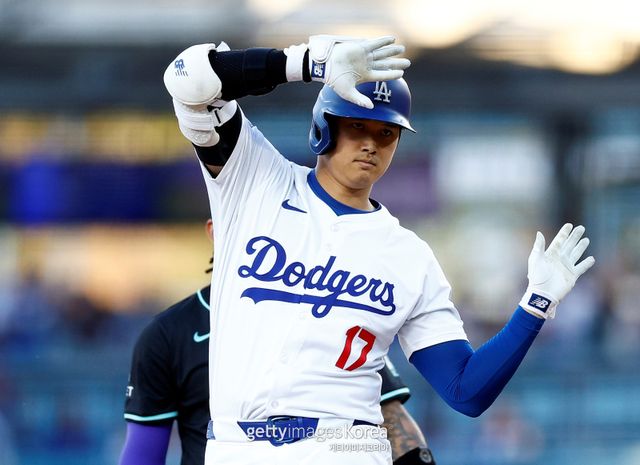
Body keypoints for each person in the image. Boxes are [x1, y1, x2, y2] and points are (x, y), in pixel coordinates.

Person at [162, 35, 595, 465]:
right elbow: (187, 79)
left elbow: (465, 391)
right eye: (357, 125)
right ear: (323, 126)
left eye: (386, 132)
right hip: (235, 447)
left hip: (343, 448)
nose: (371, 143)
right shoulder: (254, 179)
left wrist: (536, 304)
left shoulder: (408, 255)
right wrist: (308, 63)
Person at [118, 219, 437, 465]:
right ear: (215, 230)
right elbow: (143, 454)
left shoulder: (333, 316)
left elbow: (392, 420)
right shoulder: (168, 334)